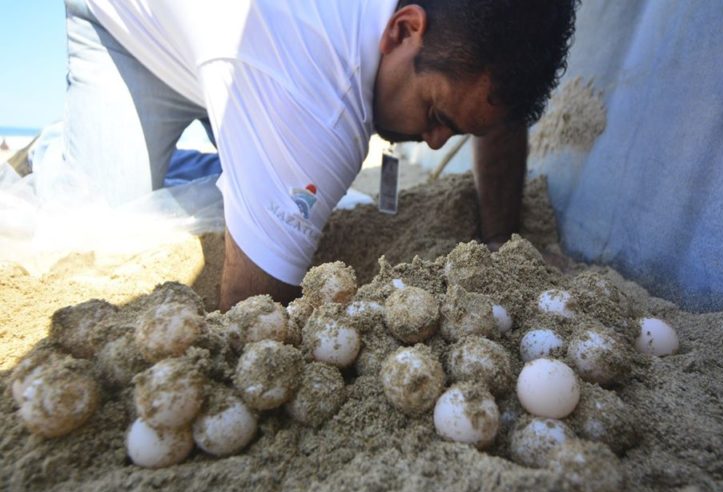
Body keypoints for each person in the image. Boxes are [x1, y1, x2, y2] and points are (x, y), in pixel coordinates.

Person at [64, 0, 577, 310]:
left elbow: (493, 116)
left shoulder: (450, 33)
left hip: (242, 56)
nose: (439, 142)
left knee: (273, 178)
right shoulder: (318, 112)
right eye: (437, 116)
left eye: (459, 131)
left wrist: (500, 240)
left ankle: (242, 162)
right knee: (96, 232)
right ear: (402, 30)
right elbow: (248, 307)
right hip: (133, 35)